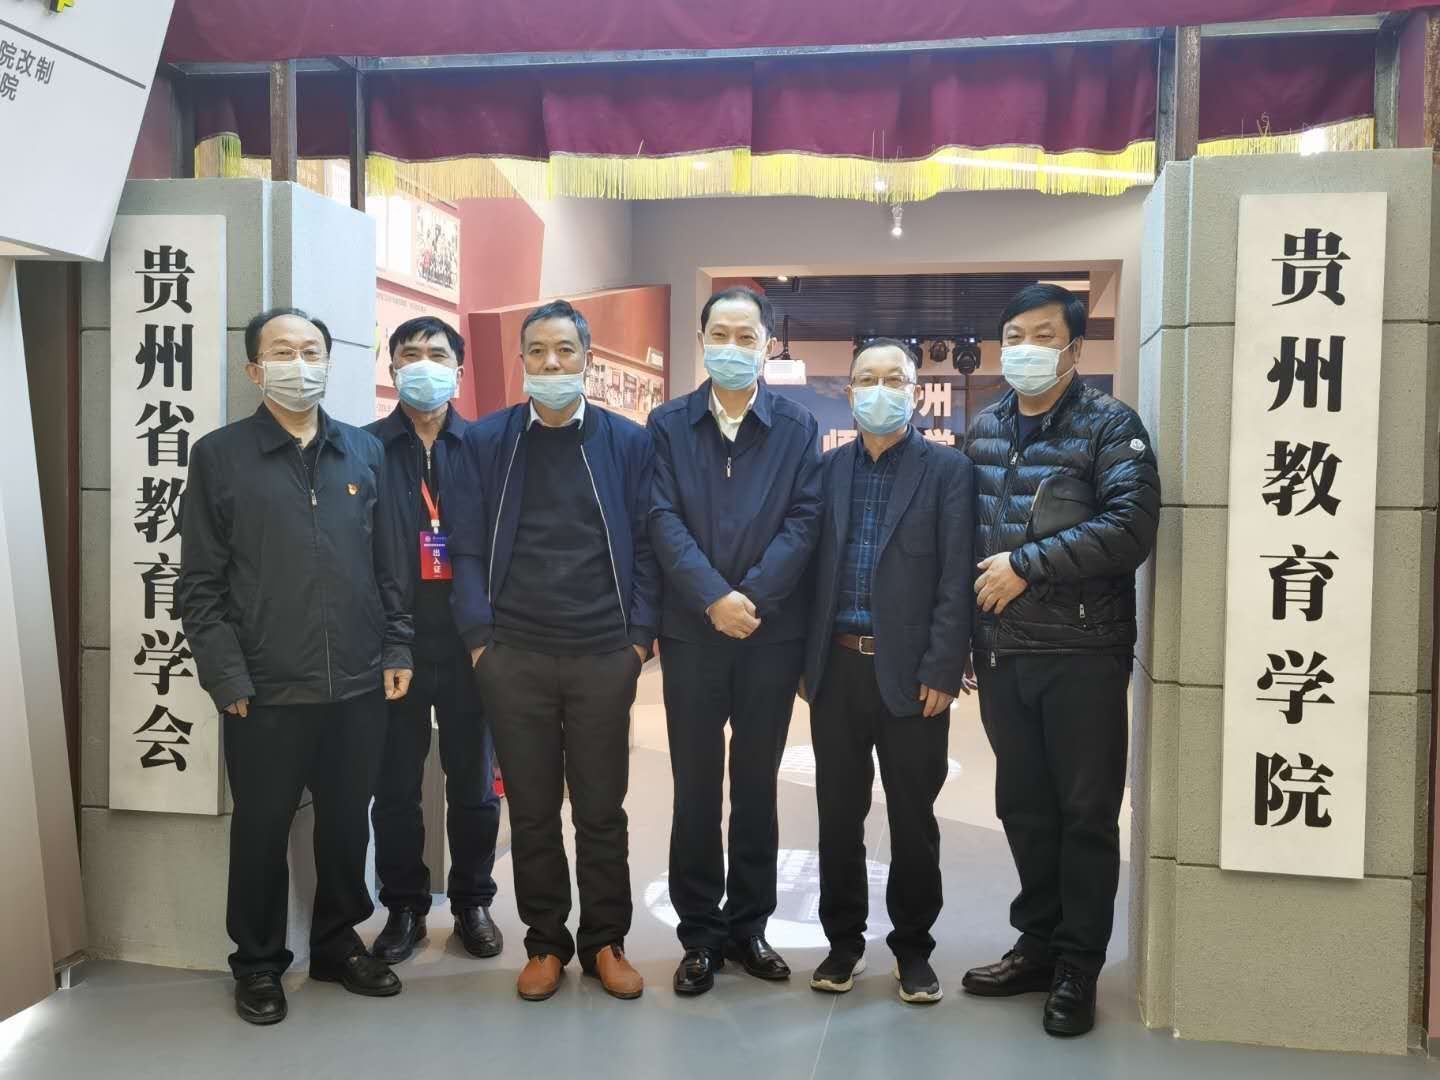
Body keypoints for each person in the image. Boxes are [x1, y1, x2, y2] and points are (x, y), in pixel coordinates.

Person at [178, 308, 414, 1025]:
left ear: (329, 363)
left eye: (312, 351)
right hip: (264, 689)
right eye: (282, 352)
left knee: (345, 825)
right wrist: (226, 675)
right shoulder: (220, 456)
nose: (299, 364)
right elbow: (200, 585)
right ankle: (257, 963)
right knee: (261, 828)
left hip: (358, 684)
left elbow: (389, 564)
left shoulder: (363, 452)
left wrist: (397, 646)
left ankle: (338, 944)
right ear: (255, 369)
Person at [960, 284, 1159, 1037]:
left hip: (1082, 651)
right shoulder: (985, 428)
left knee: (1084, 814)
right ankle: (1037, 944)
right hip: (1003, 654)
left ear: (1075, 348)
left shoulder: (1111, 425)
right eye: (1014, 335)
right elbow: (963, 536)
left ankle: (1079, 964)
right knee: (1023, 808)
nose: (1025, 349)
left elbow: (1131, 526)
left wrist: (1028, 564)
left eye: (1043, 336)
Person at [448, 299, 660, 1003]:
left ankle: (606, 942)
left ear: (587, 359)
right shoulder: (488, 441)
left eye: (565, 350)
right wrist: (480, 641)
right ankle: (545, 942)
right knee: (533, 811)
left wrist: (637, 640)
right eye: (537, 350)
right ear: (521, 361)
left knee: (601, 810)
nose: (551, 363)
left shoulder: (627, 442)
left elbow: (648, 544)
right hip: (514, 654)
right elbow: (465, 546)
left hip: (604, 652)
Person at [648, 286, 822, 996]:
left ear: (766, 345)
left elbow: (805, 521)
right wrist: (711, 598)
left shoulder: (797, 427)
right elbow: (660, 517)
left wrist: (751, 598)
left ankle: (749, 926)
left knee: (755, 785)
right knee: (694, 786)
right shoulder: (668, 424)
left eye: (745, 336)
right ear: (702, 341)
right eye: (719, 334)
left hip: (769, 635)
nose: (732, 346)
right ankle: (699, 935)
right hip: (692, 633)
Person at [802, 338, 974, 1005]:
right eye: (867, 379)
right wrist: (806, 665)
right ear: (849, 392)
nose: (880, 390)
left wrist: (945, 668)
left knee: (912, 817)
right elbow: (808, 572)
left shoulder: (948, 471)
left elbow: (956, 578)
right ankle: (842, 942)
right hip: (837, 668)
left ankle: (913, 948)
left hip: (913, 674)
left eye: (894, 379)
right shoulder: (826, 470)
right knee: (838, 816)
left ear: (916, 390)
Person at [366, 316, 503, 966]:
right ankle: (404, 908)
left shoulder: (485, 449)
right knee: (395, 788)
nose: (424, 364)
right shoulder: (366, 449)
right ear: (392, 367)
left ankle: (473, 902)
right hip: (393, 648)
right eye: (410, 354)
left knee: (473, 784)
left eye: (437, 354)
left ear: (459, 368)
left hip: (469, 645)